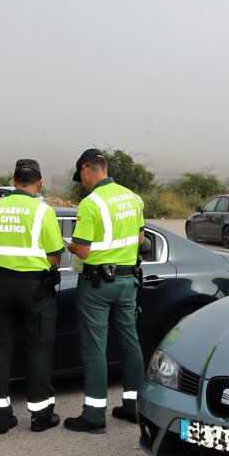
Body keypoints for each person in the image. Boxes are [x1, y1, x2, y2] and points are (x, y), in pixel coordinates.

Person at [0, 159, 65, 435]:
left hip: (1, 284)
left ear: (14, 181)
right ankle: (41, 417)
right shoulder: (43, 211)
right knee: (38, 350)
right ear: (39, 183)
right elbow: (55, 254)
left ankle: (1, 418)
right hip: (34, 288)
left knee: (1, 351)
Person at [64, 148, 145, 434]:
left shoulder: (91, 203)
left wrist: (70, 245)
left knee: (94, 346)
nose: (82, 182)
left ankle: (94, 415)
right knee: (130, 341)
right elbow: (140, 237)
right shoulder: (132, 198)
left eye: (81, 177)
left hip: (97, 285)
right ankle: (134, 407)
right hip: (127, 281)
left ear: (87, 169)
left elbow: (83, 250)